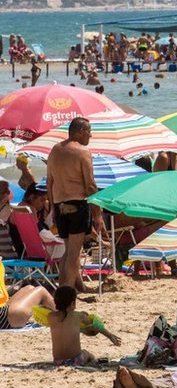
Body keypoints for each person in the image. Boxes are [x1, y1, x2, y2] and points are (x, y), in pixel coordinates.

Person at [46, 117, 100, 292]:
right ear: (81, 131)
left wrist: (53, 208)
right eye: (89, 131)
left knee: (68, 251)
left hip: (59, 204)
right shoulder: (83, 152)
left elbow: (50, 182)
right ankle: (67, 291)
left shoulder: (55, 150)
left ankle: (68, 287)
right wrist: (98, 214)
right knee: (74, 253)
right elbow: (90, 185)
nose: (90, 135)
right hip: (77, 204)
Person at [45, 286, 121, 366]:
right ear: (73, 303)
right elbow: (95, 325)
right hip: (76, 360)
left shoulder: (50, 316)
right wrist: (110, 335)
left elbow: (64, 324)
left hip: (58, 361)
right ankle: (95, 362)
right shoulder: (78, 316)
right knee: (86, 353)